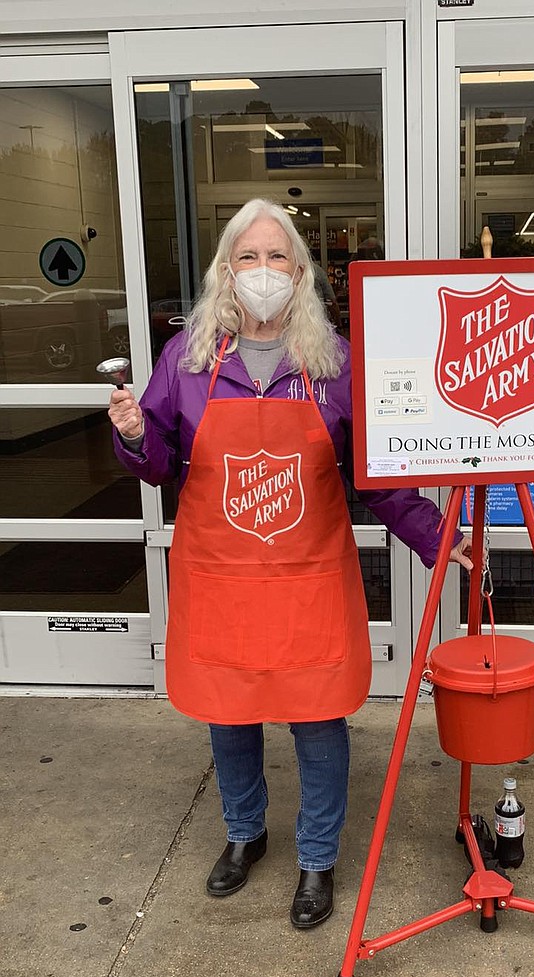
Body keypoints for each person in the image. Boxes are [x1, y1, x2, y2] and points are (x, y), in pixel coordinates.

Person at [107, 197, 475, 930]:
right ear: (226, 271)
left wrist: (439, 538)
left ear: (301, 273)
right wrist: (130, 432)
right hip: (220, 579)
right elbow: (155, 466)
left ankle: (316, 856)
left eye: (277, 257)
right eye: (249, 257)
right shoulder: (186, 361)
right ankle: (245, 834)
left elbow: (377, 476)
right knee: (229, 714)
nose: (263, 271)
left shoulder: (332, 365)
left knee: (317, 719)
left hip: (309, 580)